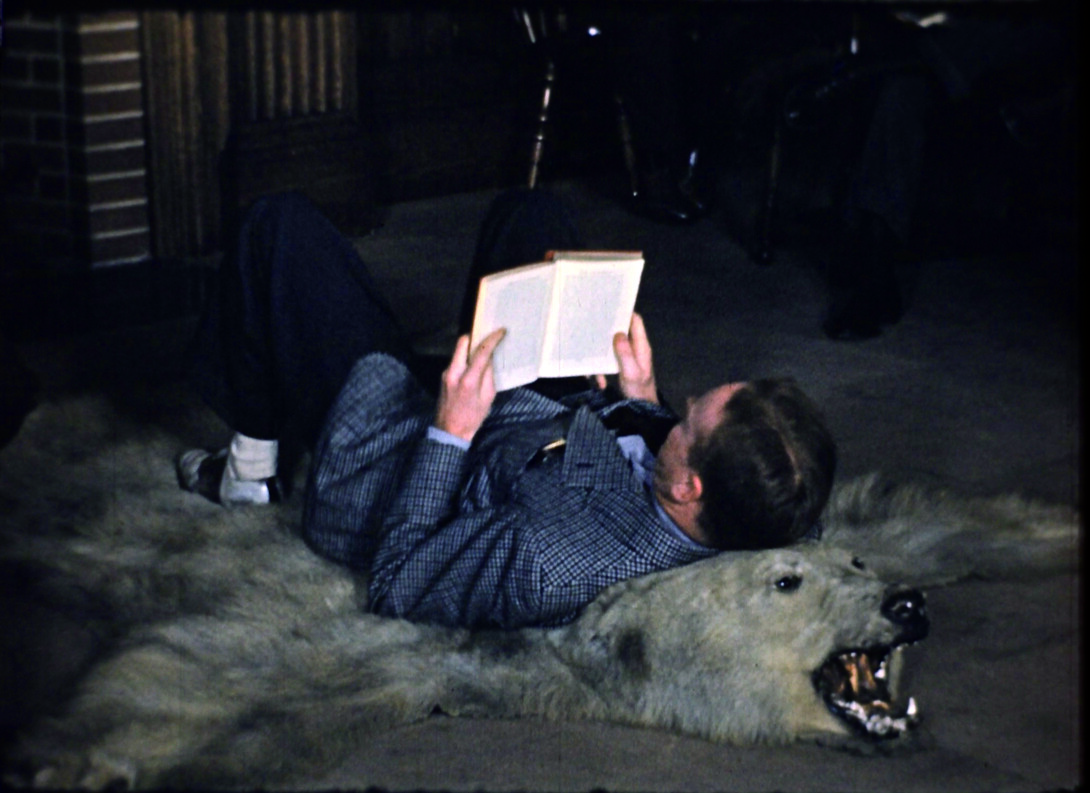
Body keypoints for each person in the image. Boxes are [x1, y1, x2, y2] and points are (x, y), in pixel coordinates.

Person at [178, 188, 837, 630]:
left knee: (278, 229)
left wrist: (450, 428)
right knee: (535, 216)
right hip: (532, 424)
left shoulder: (546, 559)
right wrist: (642, 401)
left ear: (690, 486)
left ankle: (249, 471)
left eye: (688, 421)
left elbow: (398, 582)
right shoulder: (771, 505)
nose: (682, 403)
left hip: (400, 455)